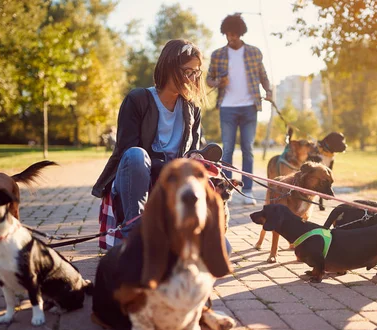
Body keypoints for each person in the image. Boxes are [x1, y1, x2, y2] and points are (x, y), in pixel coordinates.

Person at [92, 39, 207, 250]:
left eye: (196, 72)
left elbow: (193, 149)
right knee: (136, 154)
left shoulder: (193, 110)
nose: (193, 78)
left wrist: (196, 157)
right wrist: (172, 166)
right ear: (169, 67)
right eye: (187, 71)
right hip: (137, 180)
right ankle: (134, 235)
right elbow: (127, 151)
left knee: (222, 248)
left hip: (173, 185)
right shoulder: (138, 99)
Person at [207, 13, 273, 205]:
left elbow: (263, 75)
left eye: (234, 34)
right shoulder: (218, 54)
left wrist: (268, 90)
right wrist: (218, 82)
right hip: (227, 107)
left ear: (240, 33)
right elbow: (209, 79)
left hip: (249, 106)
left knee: (248, 149)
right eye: (228, 34)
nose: (231, 37)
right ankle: (226, 189)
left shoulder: (254, 52)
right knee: (227, 150)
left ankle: (248, 190)